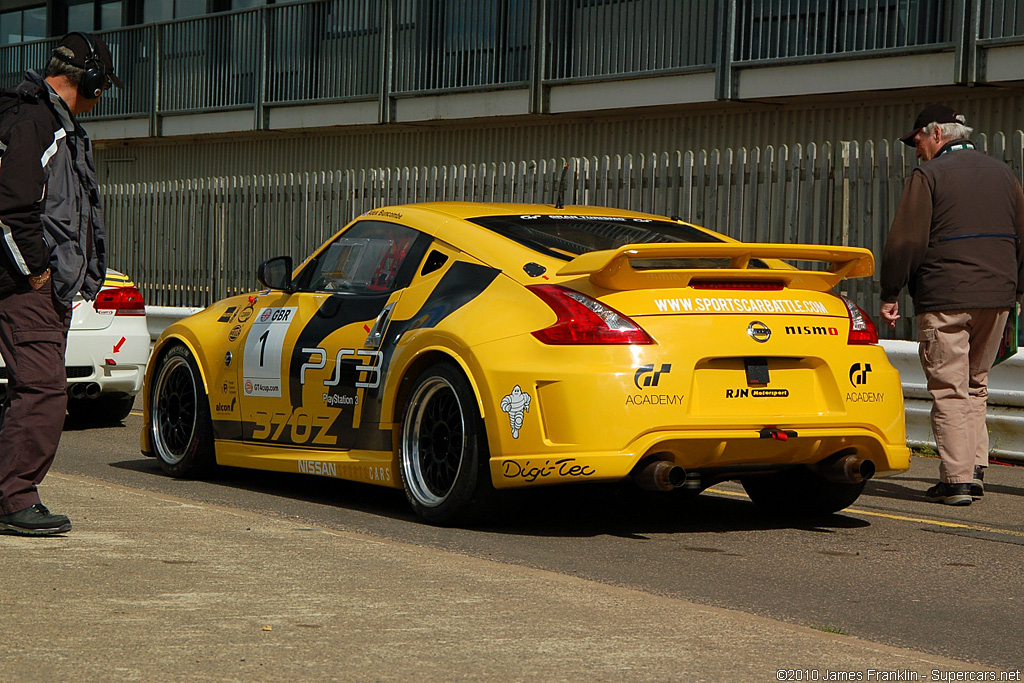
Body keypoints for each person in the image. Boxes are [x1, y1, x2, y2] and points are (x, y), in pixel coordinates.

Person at [0, 33, 121, 535]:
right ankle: (14, 500)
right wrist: (37, 272)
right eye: (101, 87)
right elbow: (11, 208)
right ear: (87, 80)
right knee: (43, 390)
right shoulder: (38, 123)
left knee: (27, 392)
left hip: (33, 287)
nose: (100, 98)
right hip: (23, 288)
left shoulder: (50, 124)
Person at [880, 104, 1024, 506]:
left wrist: (890, 292)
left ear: (936, 134)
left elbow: (906, 241)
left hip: (946, 297)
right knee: (976, 385)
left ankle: (957, 480)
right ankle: (975, 469)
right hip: (997, 297)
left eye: (918, 140)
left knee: (948, 388)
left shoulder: (928, 176)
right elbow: (1022, 238)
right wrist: (1014, 292)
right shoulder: (1004, 174)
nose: (916, 149)